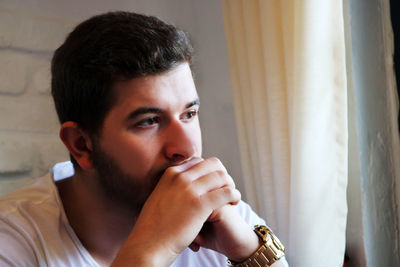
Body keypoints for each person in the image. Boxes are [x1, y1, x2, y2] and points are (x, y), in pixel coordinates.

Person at [0, 11, 288, 267]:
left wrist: (248, 251)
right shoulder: (12, 240)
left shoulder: (216, 208)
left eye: (189, 113)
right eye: (149, 121)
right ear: (81, 144)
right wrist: (153, 248)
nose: (186, 148)